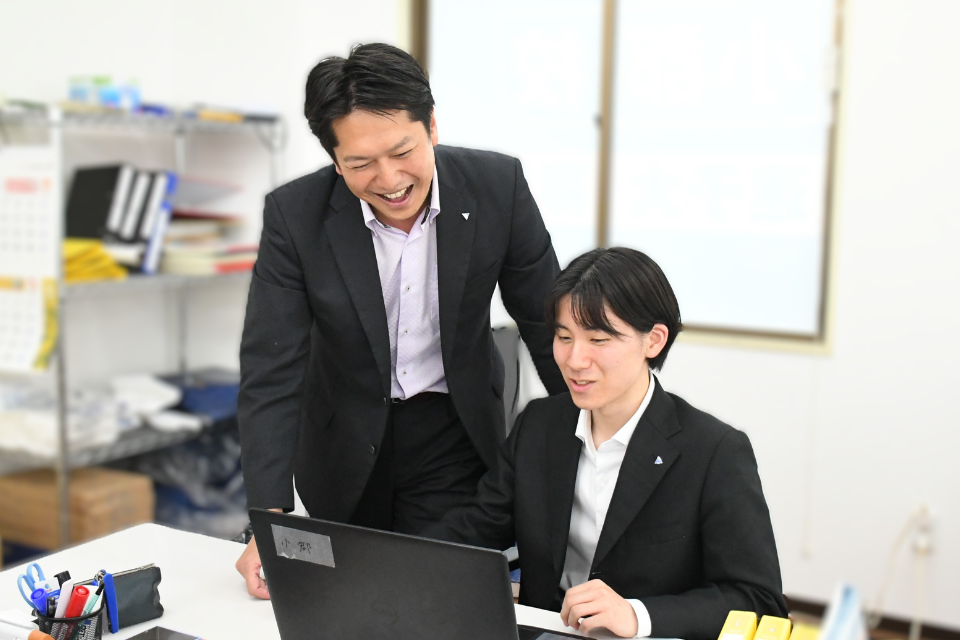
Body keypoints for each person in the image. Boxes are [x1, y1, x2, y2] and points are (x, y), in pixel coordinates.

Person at [234, 43, 567, 598]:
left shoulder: (496, 188)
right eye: (360, 163)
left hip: (452, 432)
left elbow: (547, 324)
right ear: (335, 159)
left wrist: (590, 443)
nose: (389, 179)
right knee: (344, 603)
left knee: (438, 600)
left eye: (402, 151)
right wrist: (266, 520)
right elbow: (272, 368)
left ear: (431, 126)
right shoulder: (295, 217)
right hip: (342, 440)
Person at [422, 247, 788, 639]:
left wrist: (637, 615)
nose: (575, 359)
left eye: (598, 339)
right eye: (564, 337)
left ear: (654, 340)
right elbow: (476, 528)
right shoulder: (540, 425)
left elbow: (758, 600)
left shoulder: (714, 451)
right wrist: (389, 559)